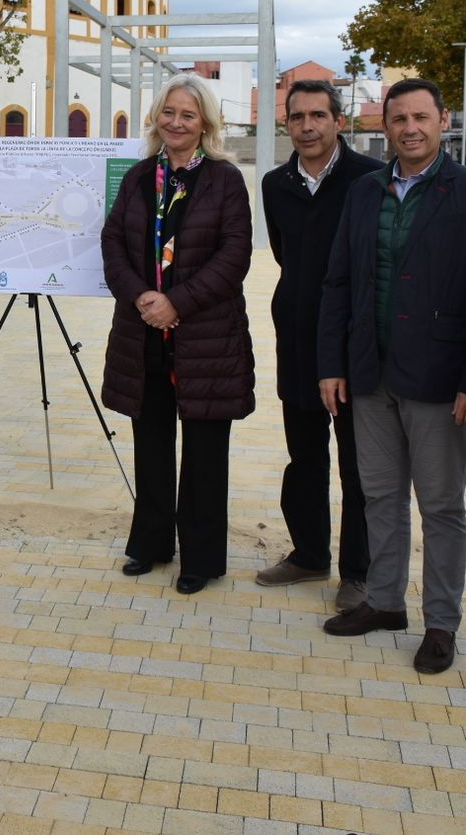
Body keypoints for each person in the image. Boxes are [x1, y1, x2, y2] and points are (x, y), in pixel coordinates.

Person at [318, 77, 466, 674]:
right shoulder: (365, 191)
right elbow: (339, 281)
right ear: (385, 126)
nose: (410, 128)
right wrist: (331, 364)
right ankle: (383, 600)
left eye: (421, 117)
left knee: (441, 506)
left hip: (441, 377)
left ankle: (442, 623)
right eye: (398, 119)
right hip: (369, 373)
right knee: (378, 494)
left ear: (443, 120)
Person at [101, 72, 255, 595]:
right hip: (145, 335)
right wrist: (144, 299)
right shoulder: (141, 176)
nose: (176, 122)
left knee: (206, 455)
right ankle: (150, 544)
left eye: (188, 114)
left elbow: (234, 255)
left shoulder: (225, 180)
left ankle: (202, 558)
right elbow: (113, 241)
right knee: (152, 446)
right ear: (156, 117)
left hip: (206, 340)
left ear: (205, 123)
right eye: (169, 112)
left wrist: (176, 303)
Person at [256, 80, 381, 610]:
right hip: (297, 339)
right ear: (287, 123)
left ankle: (358, 572)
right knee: (304, 455)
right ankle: (309, 554)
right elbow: (287, 255)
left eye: (318, 116)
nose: (308, 126)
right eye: (298, 116)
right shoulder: (274, 183)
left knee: (359, 464)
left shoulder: (369, 179)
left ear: (338, 121)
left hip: (355, 344)